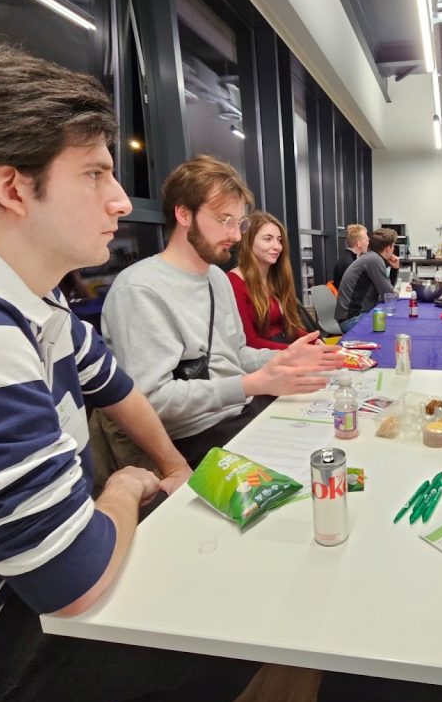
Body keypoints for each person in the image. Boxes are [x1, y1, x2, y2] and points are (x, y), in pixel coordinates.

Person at [0, 40, 257, 702]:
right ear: (12, 186)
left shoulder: (21, 298)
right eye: (97, 175)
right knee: (225, 626)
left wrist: (172, 467)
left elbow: (115, 383)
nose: (119, 200)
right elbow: (74, 584)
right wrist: (126, 488)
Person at [102, 155, 339, 469]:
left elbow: (235, 354)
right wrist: (252, 384)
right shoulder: (139, 290)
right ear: (184, 213)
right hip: (192, 440)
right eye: (224, 219)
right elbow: (152, 401)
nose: (237, 235)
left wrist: (281, 359)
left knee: (336, 441)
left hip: (240, 414)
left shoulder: (216, 277)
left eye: (239, 223)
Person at [228, 211, 307, 350]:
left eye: (279, 240)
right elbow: (249, 342)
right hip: (264, 359)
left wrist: (314, 341)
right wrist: (294, 351)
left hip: (286, 350)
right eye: (268, 239)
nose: (277, 246)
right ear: (249, 241)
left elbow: (290, 328)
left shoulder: (276, 279)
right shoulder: (234, 282)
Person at [334, 227, 399, 332]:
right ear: (388, 248)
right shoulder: (374, 260)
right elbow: (388, 295)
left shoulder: (370, 257)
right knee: (394, 327)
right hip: (352, 319)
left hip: (350, 316)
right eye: (393, 246)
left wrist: (394, 269)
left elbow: (386, 295)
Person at [332, 223, 369, 290]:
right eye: (366, 240)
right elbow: (361, 288)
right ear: (359, 243)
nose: (368, 243)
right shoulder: (350, 263)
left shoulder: (348, 258)